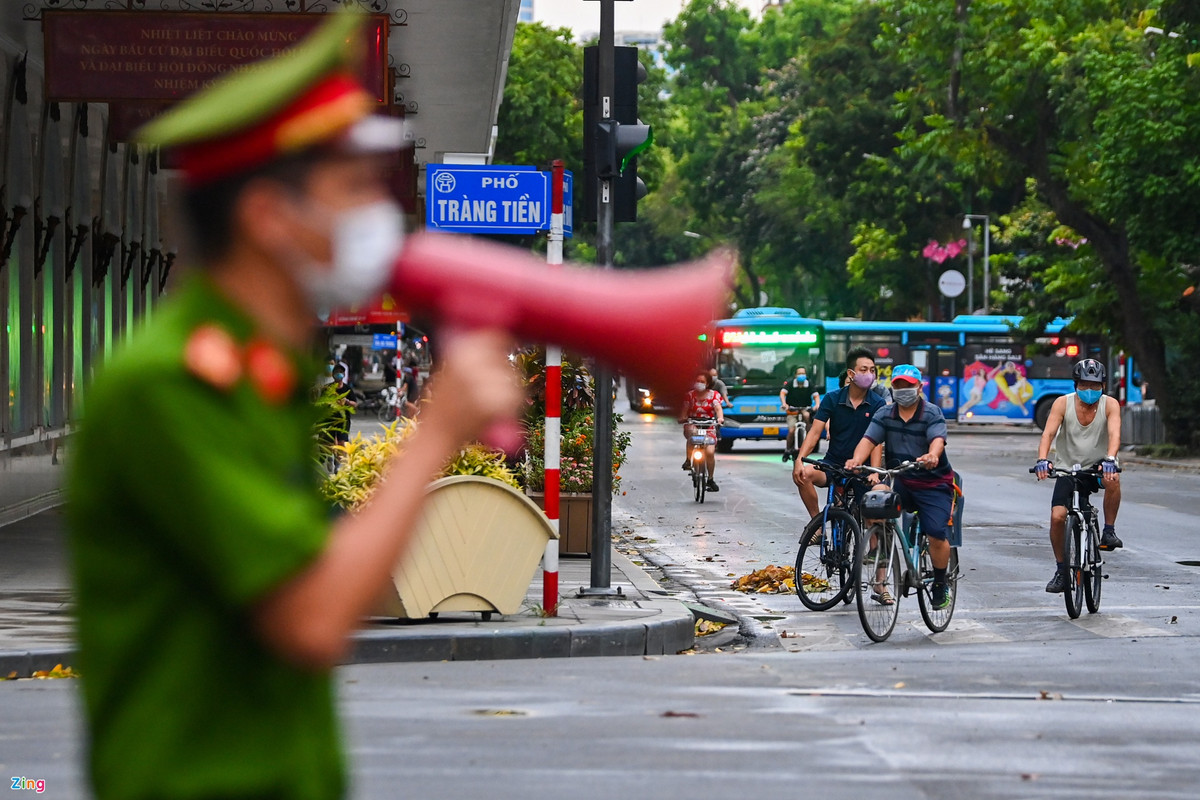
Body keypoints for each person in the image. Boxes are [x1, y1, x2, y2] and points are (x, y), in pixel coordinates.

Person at [64, 13, 525, 800]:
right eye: (347, 189)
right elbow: (313, 614)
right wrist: (434, 435)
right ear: (268, 218)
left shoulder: (255, 373)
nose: (372, 214)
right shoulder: (173, 383)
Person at [846, 364, 956, 609]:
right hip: (901, 480)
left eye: (908, 385)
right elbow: (869, 439)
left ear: (919, 387)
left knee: (936, 533)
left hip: (933, 484)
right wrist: (856, 460)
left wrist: (932, 455)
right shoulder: (885, 414)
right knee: (874, 500)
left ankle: (940, 583)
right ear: (893, 387)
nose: (903, 390)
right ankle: (881, 551)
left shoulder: (932, 412)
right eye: (898, 385)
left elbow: (938, 440)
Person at [1034, 358, 1122, 593]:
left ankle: (1109, 531)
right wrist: (1043, 459)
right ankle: (1062, 570)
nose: (1090, 390)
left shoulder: (1110, 404)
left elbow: (1114, 434)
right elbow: (1048, 433)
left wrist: (1111, 459)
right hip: (1067, 468)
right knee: (1057, 517)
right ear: (1075, 384)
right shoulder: (1062, 404)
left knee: (1113, 480)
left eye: (1095, 386)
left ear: (1103, 386)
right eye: (1084, 385)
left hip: (1100, 466)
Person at [792, 347, 886, 517]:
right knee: (804, 474)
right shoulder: (832, 398)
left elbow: (876, 441)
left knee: (872, 515)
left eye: (872, 370)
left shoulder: (878, 404)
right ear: (851, 374)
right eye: (863, 370)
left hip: (862, 469)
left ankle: (873, 543)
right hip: (833, 464)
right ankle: (817, 525)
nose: (869, 374)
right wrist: (799, 460)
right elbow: (814, 433)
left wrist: (874, 471)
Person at [679, 370, 725, 492]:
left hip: (709, 426)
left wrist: (720, 418)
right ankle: (689, 460)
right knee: (692, 435)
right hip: (693, 424)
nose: (699, 383)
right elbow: (685, 409)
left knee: (710, 452)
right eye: (697, 381)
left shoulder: (714, 395)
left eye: (702, 382)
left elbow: (718, 408)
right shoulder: (689, 395)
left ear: (708, 384)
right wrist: (683, 417)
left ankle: (710, 478)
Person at [779, 366, 821, 461]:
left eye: (803, 373)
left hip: (805, 408)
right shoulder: (790, 383)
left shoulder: (809, 384)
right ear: (795, 375)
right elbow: (782, 393)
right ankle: (787, 449)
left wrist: (817, 405)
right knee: (791, 430)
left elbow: (816, 395)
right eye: (799, 373)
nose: (801, 375)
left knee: (807, 417)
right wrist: (784, 404)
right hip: (792, 410)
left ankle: (809, 440)